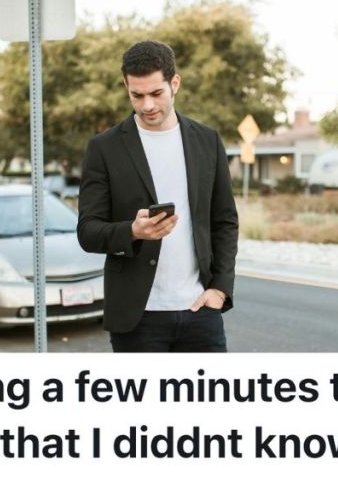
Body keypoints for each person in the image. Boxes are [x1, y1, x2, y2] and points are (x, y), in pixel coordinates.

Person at [77, 40, 239, 352]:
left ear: (174, 83)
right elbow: (88, 232)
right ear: (126, 86)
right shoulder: (104, 148)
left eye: (156, 93)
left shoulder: (208, 141)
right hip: (138, 319)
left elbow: (225, 222)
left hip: (200, 312)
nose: (147, 105)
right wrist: (131, 231)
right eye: (136, 95)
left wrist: (219, 289)